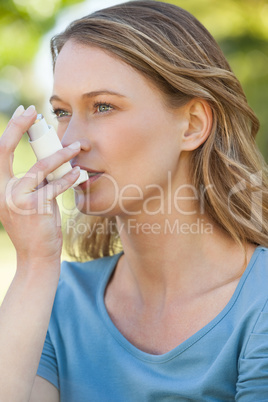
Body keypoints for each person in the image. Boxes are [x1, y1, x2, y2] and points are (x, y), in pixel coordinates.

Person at [0, 0, 268, 400]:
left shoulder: (259, 303)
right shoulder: (54, 300)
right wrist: (36, 264)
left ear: (192, 126)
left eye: (103, 107)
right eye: (60, 112)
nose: (70, 141)